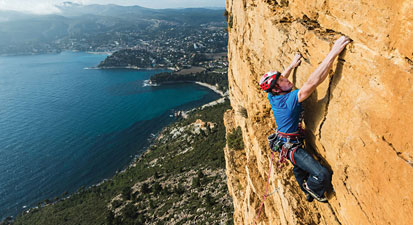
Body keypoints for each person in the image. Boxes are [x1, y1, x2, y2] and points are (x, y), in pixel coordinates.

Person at [259, 36, 351, 202]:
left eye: (282, 77)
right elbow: (312, 82)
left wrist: (291, 66)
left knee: (299, 168)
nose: (286, 80)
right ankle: (311, 188)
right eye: (281, 81)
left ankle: (305, 188)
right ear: (277, 90)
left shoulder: (273, 96)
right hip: (291, 147)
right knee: (322, 174)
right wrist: (334, 52)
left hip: (285, 142)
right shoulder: (289, 100)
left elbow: (281, 80)